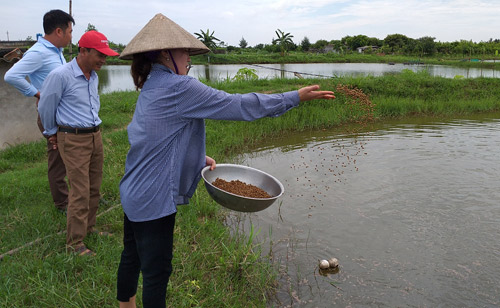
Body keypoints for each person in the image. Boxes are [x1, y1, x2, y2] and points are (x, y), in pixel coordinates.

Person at [115, 13, 335, 308]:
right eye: (185, 53)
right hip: (153, 199)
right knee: (156, 272)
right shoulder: (180, 87)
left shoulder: (153, 84)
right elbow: (238, 105)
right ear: (167, 55)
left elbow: (152, 137)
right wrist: (293, 97)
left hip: (133, 189)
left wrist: (194, 155)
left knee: (131, 256)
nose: (188, 60)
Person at [37, 30, 119, 256]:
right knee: (80, 190)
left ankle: (89, 228)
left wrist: (96, 134)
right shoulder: (60, 75)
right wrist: (52, 132)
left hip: (95, 135)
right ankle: (74, 243)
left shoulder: (93, 76)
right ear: (83, 51)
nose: (103, 60)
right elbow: (45, 107)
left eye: (106, 56)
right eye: (99, 55)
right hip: (72, 138)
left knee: (94, 187)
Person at [4, 9, 75, 212]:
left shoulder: (56, 52)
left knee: (70, 154)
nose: (71, 36)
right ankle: (63, 204)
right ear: (59, 31)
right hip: (50, 113)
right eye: (70, 31)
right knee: (57, 159)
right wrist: (38, 94)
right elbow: (11, 76)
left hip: (64, 112)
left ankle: (76, 195)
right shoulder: (39, 53)